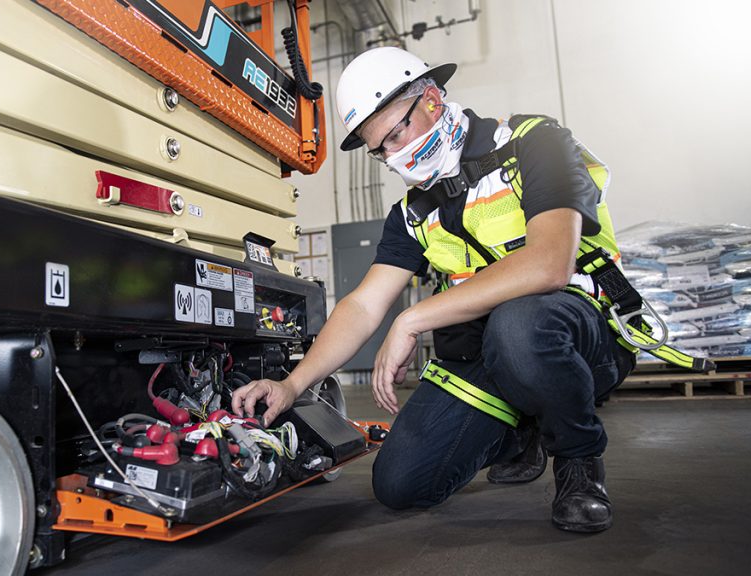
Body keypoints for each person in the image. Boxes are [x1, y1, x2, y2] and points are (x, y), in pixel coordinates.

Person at [231, 46, 642, 533]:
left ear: (430, 99)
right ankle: (520, 431)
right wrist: (292, 384)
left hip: (582, 338)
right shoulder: (413, 212)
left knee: (520, 326)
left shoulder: (534, 142)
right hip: (492, 355)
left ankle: (578, 462)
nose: (391, 156)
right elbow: (363, 305)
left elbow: (550, 264)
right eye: (379, 149)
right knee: (401, 485)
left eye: (395, 134)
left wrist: (412, 318)